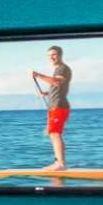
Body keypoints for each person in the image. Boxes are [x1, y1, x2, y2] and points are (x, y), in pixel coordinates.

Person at [33, 44, 73, 172]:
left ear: (60, 55)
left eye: (54, 55)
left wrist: (39, 75)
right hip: (55, 106)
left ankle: (60, 164)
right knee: (53, 133)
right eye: (49, 56)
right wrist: (47, 93)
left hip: (59, 106)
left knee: (55, 133)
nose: (51, 57)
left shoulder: (62, 68)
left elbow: (56, 82)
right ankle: (58, 162)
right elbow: (57, 87)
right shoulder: (58, 70)